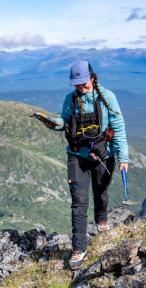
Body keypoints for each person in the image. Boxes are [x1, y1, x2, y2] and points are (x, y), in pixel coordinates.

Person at [45, 60, 129, 270]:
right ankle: (79, 248)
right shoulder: (70, 99)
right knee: (78, 202)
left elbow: (117, 126)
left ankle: (101, 220)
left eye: (84, 83)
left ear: (92, 78)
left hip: (103, 154)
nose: (81, 87)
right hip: (76, 155)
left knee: (101, 190)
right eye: (77, 84)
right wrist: (56, 123)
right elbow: (66, 121)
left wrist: (123, 158)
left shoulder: (107, 97)